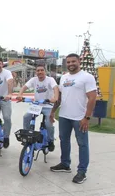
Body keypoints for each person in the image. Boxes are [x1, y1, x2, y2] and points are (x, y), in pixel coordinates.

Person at [49, 53, 97, 184]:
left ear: (79, 61)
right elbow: (59, 97)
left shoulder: (87, 77)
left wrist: (86, 118)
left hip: (79, 118)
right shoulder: (64, 78)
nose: (70, 64)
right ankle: (65, 164)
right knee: (63, 140)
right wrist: (53, 111)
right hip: (64, 116)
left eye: (73, 62)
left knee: (82, 144)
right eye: (68, 62)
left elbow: (92, 98)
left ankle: (82, 171)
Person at [17, 64, 59, 151]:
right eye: (38, 70)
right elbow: (24, 87)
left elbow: (55, 88)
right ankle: (27, 135)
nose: (40, 72)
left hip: (48, 106)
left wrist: (55, 98)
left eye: (41, 70)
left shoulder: (50, 80)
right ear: (36, 72)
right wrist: (20, 94)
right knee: (26, 117)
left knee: (48, 124)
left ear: (45, 71)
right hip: (36, 105)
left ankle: (50, 140)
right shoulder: (34, 80)